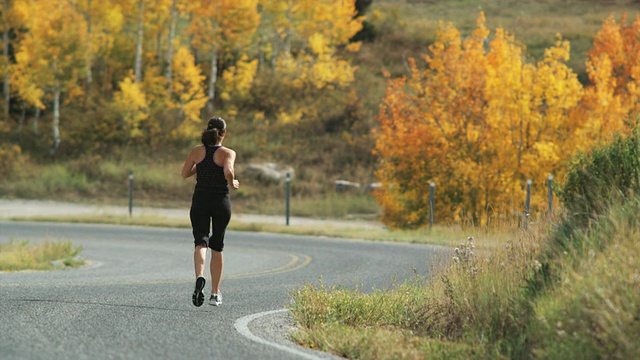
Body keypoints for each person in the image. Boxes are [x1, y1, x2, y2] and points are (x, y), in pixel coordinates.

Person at [181, 116, 240, 307]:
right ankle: (215, 294)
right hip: (220, 201)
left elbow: (184, 173)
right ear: (223, 133)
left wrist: (201, 167)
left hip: (200, 201)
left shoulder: (197, 151)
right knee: (218, 245)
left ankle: (200, 276)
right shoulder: (228, 153)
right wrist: (233, 182)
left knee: (201, 241)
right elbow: (228, 171)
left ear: (207, 130)